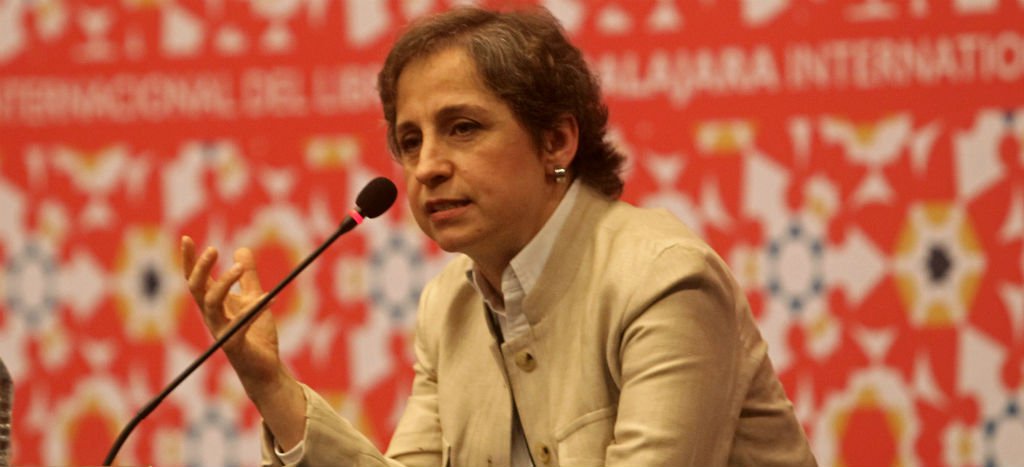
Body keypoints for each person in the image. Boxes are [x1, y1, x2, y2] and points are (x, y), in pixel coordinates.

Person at [182, 5, 817, 466]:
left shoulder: (664, 281)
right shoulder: (449, 305)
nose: (426, 166)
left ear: (556, 142)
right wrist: (271, 386)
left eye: (462, 128)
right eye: (410, 140)